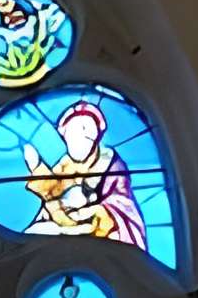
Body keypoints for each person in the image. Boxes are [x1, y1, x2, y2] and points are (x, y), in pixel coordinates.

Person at [22, 98, 147, 246]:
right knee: (36, 234)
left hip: (102, 237)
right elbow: (52, 191)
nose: (78, 138)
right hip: (62, 230)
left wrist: (95, 213)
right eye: (72, 134)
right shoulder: (65, 164)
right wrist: (37, 167)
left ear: (94, 136)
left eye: (85, 131)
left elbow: (122, 208)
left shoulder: (111, 165)